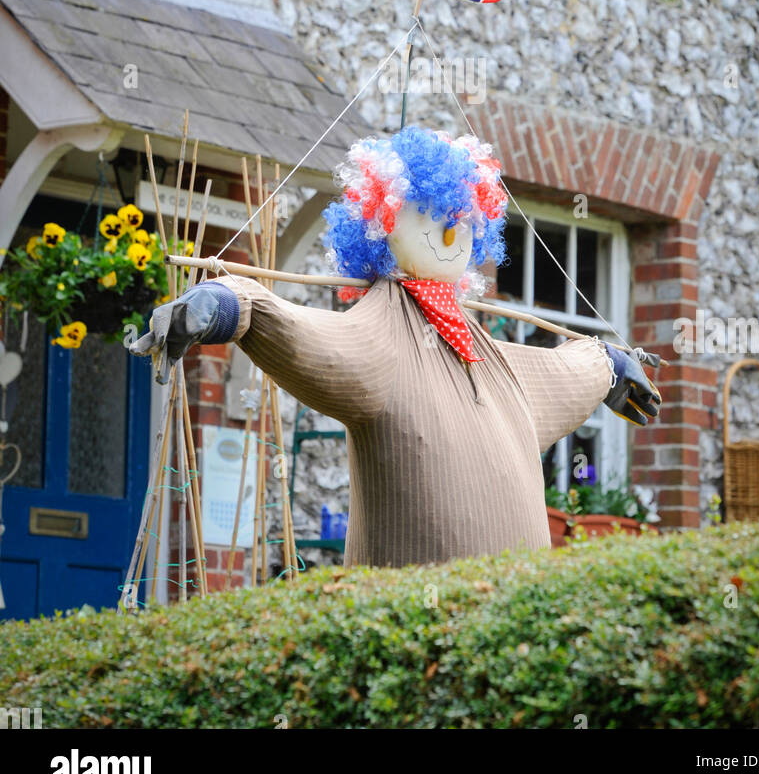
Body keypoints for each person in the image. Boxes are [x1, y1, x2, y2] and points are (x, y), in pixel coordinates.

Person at [132, 127, 660, 568]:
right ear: (381, 222)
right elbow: (309, 335)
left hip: (518, 640)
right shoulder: (382, 336)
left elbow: (554, 374)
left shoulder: (490, 356)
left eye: (461, 220)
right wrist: (229, 303)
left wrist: (606, 365)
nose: (450, 234)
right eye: (429, 214)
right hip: (411, 640)